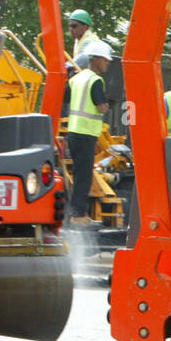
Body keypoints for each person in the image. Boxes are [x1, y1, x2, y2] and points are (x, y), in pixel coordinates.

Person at [64, 40, 113, 227]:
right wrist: (107, 106)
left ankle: (74, 213)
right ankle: (78, 215)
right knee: (84, 176)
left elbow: (65, 97)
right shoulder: (96, 81)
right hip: (86, 134)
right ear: (97, 59)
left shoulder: (77, 78)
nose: (108, 63)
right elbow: (101, 107)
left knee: (78, 174)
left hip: (74, 132)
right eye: (106, 60)